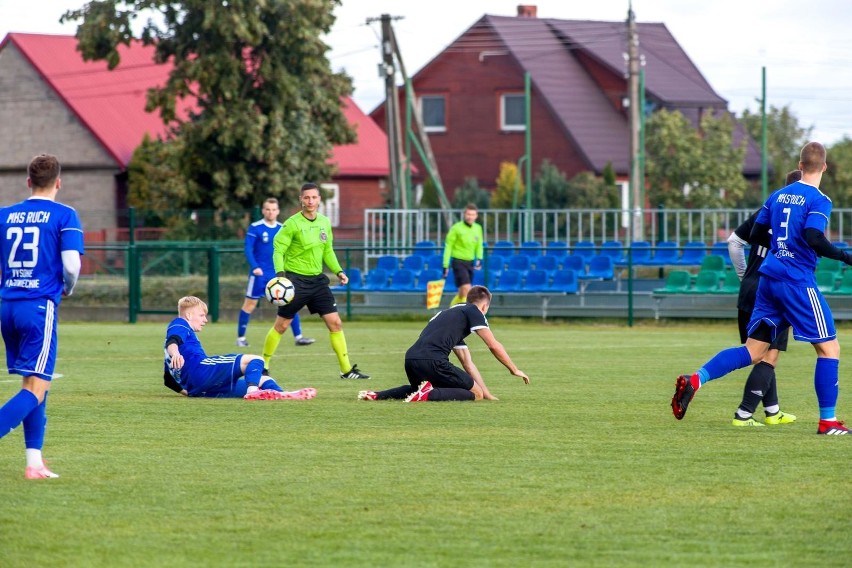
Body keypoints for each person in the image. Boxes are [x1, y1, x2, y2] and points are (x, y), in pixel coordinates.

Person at [672, 142, 850, 435]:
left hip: (768, 279)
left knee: (754, 350)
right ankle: (828, 422)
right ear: (825, 167)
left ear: (800, 164)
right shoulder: (819, 199)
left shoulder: (778, 195)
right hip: (796, 281)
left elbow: (755, 234)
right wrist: (845, 256)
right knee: (829, 349)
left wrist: (781, 249)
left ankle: (695, 379)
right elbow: (814, 237)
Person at [0, 154, 84, 479]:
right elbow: (72, 266)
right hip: (38, 307)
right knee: (35, 389)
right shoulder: (65, 214)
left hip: (8, 306)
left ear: (28, 182)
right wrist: (69, 287)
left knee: (35, 384)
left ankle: (34, 463)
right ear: (58, 182)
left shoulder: (5, 215)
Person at [262, 183, 369, 379]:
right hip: (295, 281)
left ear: (319, 200)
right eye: (306, 198)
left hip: (318, 282)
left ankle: (346, 371)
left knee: (335, 323)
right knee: (282, 326)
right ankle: (264, 365)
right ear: (300, 200)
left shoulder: (324, 222)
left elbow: (327, 250)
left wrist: (338, 271)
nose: (310, 201)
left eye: (314, 197)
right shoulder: (292, 224)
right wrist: (280, 276)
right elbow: (278, 250)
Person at [724, 169, 802, 427]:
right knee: (769, 355)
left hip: (748, 290)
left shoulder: (766, 210)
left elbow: (734, 241)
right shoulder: (799, 216)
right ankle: (744, 414)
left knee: (759, 353)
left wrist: (744, 275)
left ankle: (772, 411)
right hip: (773, 292)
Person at [357, 285, 529, 402]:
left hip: (411, 360)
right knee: (475, 394)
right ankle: (428, 394)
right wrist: (514, 369)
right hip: (433, 361)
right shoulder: (474, 311)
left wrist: (488, 394)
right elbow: (493, 345)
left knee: (415, 389)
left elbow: (467, 364)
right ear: (484, 306)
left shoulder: (449, 315)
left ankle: (377, 395)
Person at [164, 296, 316, 400]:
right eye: (202, 315)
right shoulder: (180, 323)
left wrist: (190, 392)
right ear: (189, 315)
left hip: (198, 388)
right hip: (202, 370)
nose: (205, 320)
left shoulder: (176, 340)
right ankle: (253, 393)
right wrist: (176, 353)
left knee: (263, 379)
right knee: (256, 359)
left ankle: (283, 395)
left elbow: (168, 380)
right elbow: (174, 340)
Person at [236, 197, 314, 347]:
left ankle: (299, 337)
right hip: (259, 274)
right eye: (267, 209)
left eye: (273, 210)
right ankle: (240, 338)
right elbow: (248, 249)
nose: (270, 212)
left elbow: (289, 250)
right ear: (263, 211)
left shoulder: (282, 228)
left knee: (290, 303)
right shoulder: (255, 227)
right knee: (249, 305)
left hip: (278, 274)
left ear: (277, 211)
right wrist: (255, 267)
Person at [442, 203, 484, 306]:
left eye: (472, 215)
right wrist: (445, 264)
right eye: (468, 214)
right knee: (467, 288)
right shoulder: (456, 228)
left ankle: (452, 308)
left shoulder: (478, 228)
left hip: (470, 262)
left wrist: (479, 258)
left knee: (462, 292)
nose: (470, 217)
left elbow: (479, 245)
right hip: (458, 262)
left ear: (476, 216)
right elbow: (448, 246)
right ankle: (466, 315)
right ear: (464, 215)